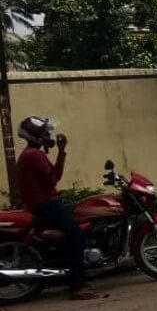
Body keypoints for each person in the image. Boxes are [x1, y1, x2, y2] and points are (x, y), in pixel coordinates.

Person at [15, 117, 98, 300]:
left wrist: (61, 152)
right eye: (45, 132)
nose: (48, 135)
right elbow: (53, 179)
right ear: (36, 136)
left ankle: (76, 272)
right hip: (46, 204)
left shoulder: (32, 154)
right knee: (76, 235)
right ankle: (77, 286)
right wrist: (61, 151)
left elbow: (54, 177)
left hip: (44, 203)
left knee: (78, 225)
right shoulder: (34, 155)